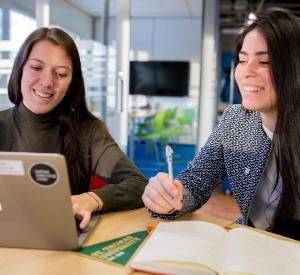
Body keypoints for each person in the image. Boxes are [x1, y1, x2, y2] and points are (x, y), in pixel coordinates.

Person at [142, 8, 300, 240]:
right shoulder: (235, 119)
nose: (246, 72)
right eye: (243, 60)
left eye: (264, 61)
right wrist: (169, 197)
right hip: (249, 242)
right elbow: (195, 183)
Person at [0, 27, 147, 229]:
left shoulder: (88, 132)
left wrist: (91, 199)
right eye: (36, 68)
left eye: (60, 73)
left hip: (62, 248)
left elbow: (137, 184)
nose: (47, 82)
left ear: (71, 83)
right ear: (20, 69)